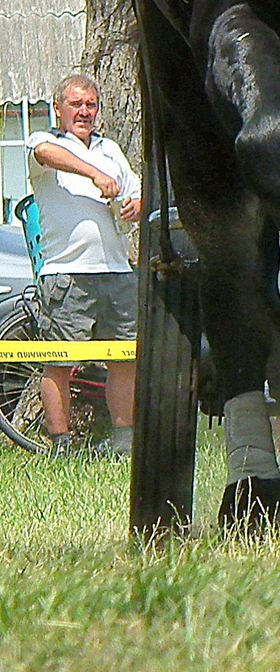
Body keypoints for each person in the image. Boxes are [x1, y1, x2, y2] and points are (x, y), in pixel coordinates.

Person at [25, 74, 142, 456]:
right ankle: (61, 446)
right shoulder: (45, 143)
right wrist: (93, 173)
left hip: (118, 271)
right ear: (57, 108)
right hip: (66, 273)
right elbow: (45, 155)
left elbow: (137, 191)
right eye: (76, 104)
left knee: (125, 359)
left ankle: (123, 444)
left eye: (90, 104)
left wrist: (135, 204)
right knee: (59, 362)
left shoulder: (110, 149)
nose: (84, 111)